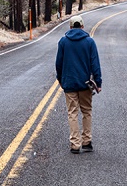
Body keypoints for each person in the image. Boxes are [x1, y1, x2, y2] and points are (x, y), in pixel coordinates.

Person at [55, 15, 102, 154]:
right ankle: (87, 142)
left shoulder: (63, 42)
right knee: (86, 111)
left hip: (69, 82)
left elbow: (58, 64)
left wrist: (60, 79)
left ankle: (75, 144)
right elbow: (95, 65)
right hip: (85, 84)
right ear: (82, 26)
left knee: (72, 113)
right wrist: (98, 82)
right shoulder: (89, 42)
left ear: (70, 27)